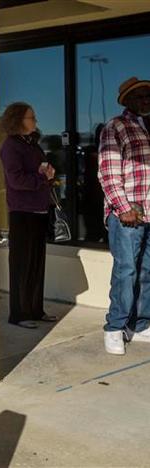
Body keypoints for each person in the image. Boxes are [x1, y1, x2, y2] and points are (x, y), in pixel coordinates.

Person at [98, 77, 150, 355]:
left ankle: (139, 325)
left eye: (148, 96)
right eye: (140, 96)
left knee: (146, 271)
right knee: (126, 272)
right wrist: (123, 207)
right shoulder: (115, 126)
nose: (145, 100)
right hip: (128, 214)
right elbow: (108, 172)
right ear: (127, 101)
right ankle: (114, 328)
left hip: (149, 212)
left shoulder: (148, 126)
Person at [0, 102, 57, 329]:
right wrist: (42, 178)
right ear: (18, 121)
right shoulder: (11, 146)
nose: (35, 121)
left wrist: (48, 174)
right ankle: (19, 313)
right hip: (22, 211)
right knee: (21, 264)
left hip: (39, 209)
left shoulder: (33, 144)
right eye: (31, 118)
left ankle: (35, 309)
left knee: (36, 263)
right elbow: (15, 180)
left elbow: (40, 171)